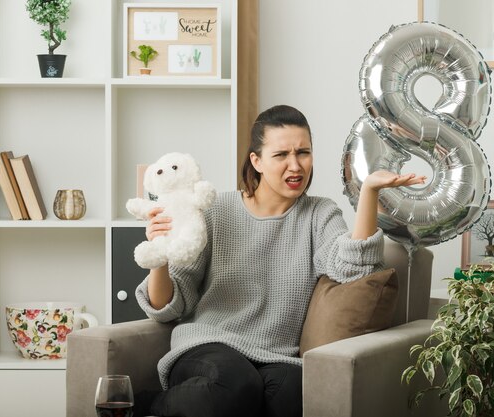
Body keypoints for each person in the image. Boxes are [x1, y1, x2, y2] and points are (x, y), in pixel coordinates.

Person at [134, 104, 425, 417]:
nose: (295, 165)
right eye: (281, 154)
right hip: (206, 345)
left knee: (292, 394)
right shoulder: (216, 210)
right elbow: (169, 305)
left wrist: (369, 192)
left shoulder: (319, 214)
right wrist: (160, 254)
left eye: (303, 152)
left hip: (277, 355)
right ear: (256, 161)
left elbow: (353, 267)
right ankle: (145, 406)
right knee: (236, 384)